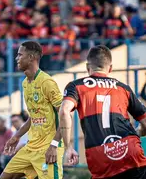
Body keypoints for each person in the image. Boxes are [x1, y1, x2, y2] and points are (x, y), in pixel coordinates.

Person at [59, 45, 146, 179]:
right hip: (130, 150)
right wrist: (140, 132)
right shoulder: (123, 88)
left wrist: (68, 147)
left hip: (99, 154)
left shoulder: (76, 86)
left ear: (88, 67)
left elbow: (65, 111)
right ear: (110, 68)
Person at [0, 41, 66, 179]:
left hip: (48, 148)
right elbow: (34, 116)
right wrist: (17, 136)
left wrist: (54, 145)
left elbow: (65, 115)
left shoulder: (47, 82)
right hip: (31, 147)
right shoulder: (25, 83)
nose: (16, 58)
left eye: (19, 55)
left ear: (31, 57)